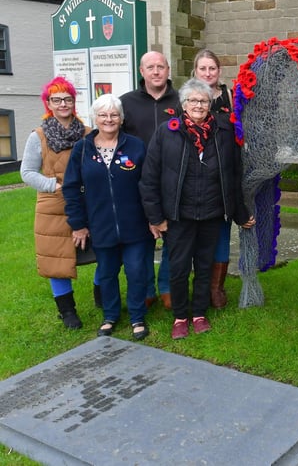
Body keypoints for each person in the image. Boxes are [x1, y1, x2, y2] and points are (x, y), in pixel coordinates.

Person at [139, 78, 255, 339]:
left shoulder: (223, 132)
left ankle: (200, 313)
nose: (198, 105)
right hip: (179, 216)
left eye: (203, 101)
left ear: (210, 103)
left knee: (205, 266)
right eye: (193, 100)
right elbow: (149, 178)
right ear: (183, 104)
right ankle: (181, 316)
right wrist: (156, 217)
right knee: (178, 268)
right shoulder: (166, 132)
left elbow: (233, 175)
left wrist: (239, 211)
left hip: (212, 214)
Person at [62, 95, 152, 340]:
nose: (109, 119)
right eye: (103, 115)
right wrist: (78, 225)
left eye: (114, 114)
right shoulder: (82, 149)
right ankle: (110, 315)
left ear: (121, 119)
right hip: (100, 225)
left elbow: (148, 184)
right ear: (95, 118)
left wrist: (154, 218)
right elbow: (71, 188)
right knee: (107, 273)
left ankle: (136, 316)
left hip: (135, 225)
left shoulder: (135, 145)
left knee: (136, 271)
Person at [20, 77, 91, 330]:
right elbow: (27, 172)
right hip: (53, 204)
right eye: (57, 99)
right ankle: (67, 311)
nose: (63, 104)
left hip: (85, 201)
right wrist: (54, 185)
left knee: (102, 250)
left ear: (74, 101)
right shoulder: (37, 136)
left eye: (68, 99)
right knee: (56, 258)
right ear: (48, 103)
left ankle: (104, 298)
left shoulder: (87, 133)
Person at [121, 51, 181, 310]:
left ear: (168, 70)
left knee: (173, 238)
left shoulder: (181, 100)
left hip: (173, 183)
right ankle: (146, 289)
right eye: (150, 67)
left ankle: (167, 286)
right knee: (143, 240)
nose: (156, 72)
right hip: (136, 184)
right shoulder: (126, 103)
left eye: (160, 66)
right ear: (141, 71)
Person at [192, 49, 234, 308]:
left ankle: (216, 288)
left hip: (223, 172)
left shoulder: (229, 96)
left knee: (221, 231)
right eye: (203, 69)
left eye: (212, 69)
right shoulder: (187, 97)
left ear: (219, 71)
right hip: (196, 176)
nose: (208, 73)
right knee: (194, 233)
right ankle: (199, 281)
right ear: (195, 71)